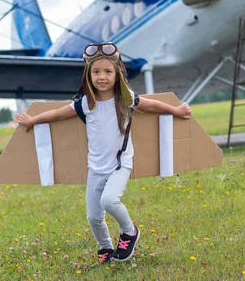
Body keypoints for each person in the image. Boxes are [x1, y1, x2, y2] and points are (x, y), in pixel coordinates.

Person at [18, 42, 191, 264]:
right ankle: (106, 250)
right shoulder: (84, 104)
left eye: (108, 71)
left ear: (117, 74)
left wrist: (177, 110)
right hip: (96, 169)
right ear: (88, 75)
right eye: (96, 71)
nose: (102, 77)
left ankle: (129, 231)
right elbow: (58, 114)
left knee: (109, 200)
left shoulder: (125, 99)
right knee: (93, 217)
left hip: (120, 165)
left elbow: (151, 106)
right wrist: (32, 120)